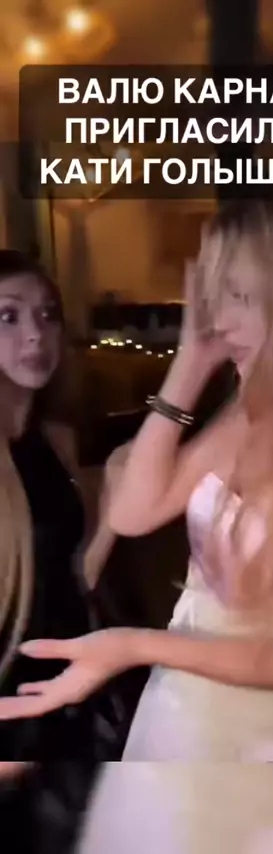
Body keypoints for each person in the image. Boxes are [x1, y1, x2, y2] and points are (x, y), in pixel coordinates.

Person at [0, 199, 273, 852]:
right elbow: (133, 511)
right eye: (217, 293)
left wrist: (137, 647)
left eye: (242, 295)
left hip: (269, 742)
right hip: (177, 716)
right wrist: (190, 364)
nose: (219, 318)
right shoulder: (258, 400)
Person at [0, 249, 121, 761]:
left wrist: (112, 509)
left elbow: (76, 575)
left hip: (69, 681)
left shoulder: (57, 440)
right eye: (8, 316)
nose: (36, 333)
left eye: (48, 314)